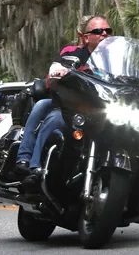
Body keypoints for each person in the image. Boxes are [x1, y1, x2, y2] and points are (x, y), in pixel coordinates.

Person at [19, 16, 113, 179]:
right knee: (54, 118)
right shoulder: (72, 53)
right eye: (98, 31)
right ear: (85, 37)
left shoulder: (116, 58)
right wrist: (59, 72)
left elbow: (131, 74)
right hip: (72, 108)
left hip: (105, 111)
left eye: (108, 31)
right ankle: (34, 167)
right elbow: (54, 72)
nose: (104, 34)